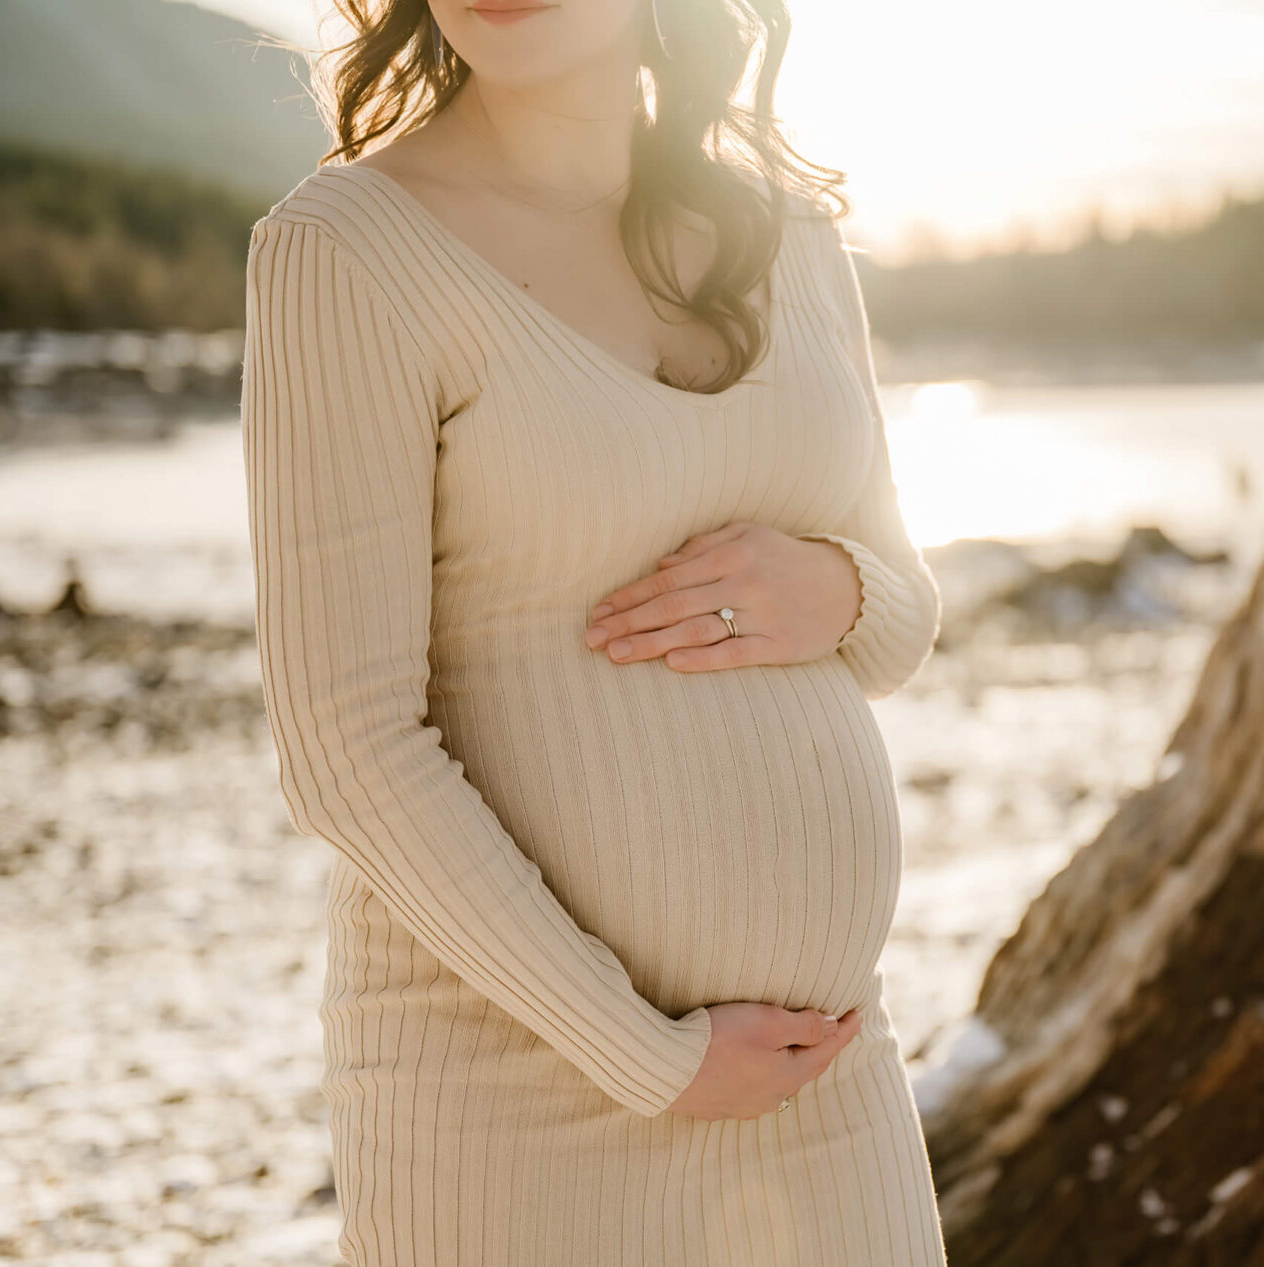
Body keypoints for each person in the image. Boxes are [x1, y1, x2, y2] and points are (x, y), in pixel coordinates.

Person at [239, 0, 947, 1262]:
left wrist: (837, 587)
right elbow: (345, 747)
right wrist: (648, 1054)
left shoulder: (787, 233)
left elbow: (897, 612)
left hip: (825, 1083)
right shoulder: (345, 252)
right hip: (509, 1103)